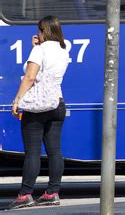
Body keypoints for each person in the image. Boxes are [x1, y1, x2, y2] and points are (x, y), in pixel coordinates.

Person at [8, 16, 70, 210]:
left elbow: (30, 76)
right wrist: (35, 46)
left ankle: (25, 194)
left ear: (44, 31)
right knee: (54, 151)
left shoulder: (39, 50)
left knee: (32, 152)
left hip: (36, 106)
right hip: (57, 103)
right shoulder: (63, 49)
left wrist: (17, 99)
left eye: (39, 31)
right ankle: (52, 192)